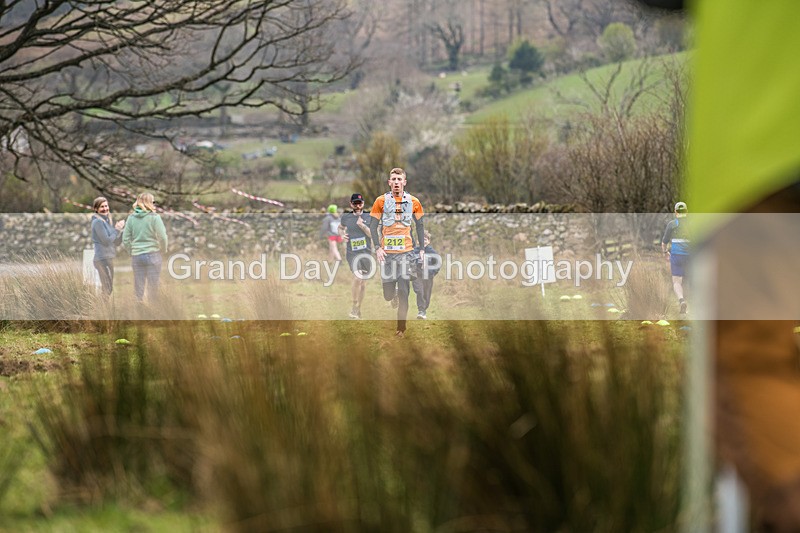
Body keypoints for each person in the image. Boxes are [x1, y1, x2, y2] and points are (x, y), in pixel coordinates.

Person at [369, 167, 425, 338]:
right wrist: (378, 248)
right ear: (389, 182)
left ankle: (401, 328)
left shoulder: (414, 202)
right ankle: (391, 296)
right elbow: (372, 226)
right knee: (388, 295)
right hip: (387, 254)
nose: (396, 183)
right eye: (393, 179)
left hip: (406, 254)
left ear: (404, 182)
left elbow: (420, 225)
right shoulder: (380, 201)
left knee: (404, 291)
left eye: (399, 180)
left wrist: (421, 249)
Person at [121, 193, 168, 302]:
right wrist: (163, 249)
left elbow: (125, 239)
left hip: (137, 255)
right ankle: (152, 314)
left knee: (138, 288)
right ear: (149, 203)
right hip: (153, 254)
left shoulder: (131, 218)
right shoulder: (155, 218)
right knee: (153, 288)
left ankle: (139, 314)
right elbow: (163, 237)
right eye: (153, 201)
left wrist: (131, 251)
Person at [339, 193, 373, 319]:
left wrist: (362, 225)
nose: (358, 206)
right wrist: (342, 235)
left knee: (363, 283)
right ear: (351, 204)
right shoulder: (346, 217)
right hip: (352, 253)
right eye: (355, 203)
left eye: (360, 203)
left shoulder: (369, 217)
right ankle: (354, 306)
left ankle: (358, 308)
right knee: (357, 278)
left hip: (366, 253)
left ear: (363, 204)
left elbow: (371, 235)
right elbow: (340, 228)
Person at [90, 196, 125, 295]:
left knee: (108, 289)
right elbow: (106, 241)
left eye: (106, 206)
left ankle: (103, 309)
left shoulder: (107, 221)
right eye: (102, 207)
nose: (105, 208)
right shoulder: (97, 222)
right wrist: (117, 229)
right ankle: (100, 309)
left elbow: (115, 242)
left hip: (109, 258)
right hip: (101, 260)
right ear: (96, 209)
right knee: (107, 288)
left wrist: (123, 232)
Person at [660, 201, 690, 314]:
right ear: (686, 212)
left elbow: (664, 243)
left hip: (676, 255)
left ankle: (682, 301)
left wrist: (665, 252)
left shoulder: (672, 224)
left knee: (677, 281)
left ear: (675, 212)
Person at [412, 230, 441, 320]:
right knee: (419, 291)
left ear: (428, 241)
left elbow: (437, 263)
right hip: (417, 275)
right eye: (421, 239)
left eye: (425, 240)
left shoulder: (432, 252)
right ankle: (421, 310)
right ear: (417, 241)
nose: (423, 241)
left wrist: (432, 272)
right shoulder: (414, 251)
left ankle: (424, 309)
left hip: (428, 276)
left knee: (427, 294)